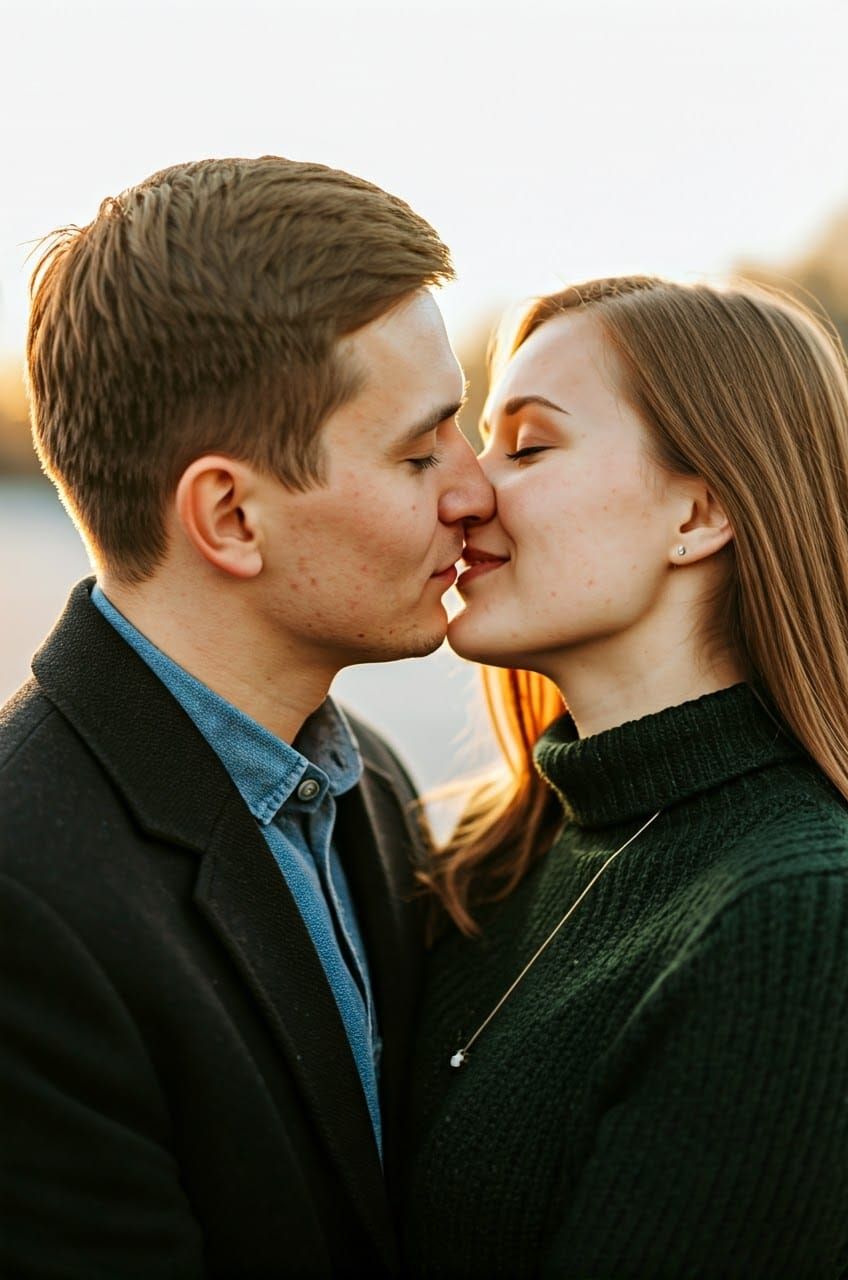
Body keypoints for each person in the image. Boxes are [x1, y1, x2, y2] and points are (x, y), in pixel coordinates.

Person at [0, 156, 493, 1278]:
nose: (473, 489)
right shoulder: (23, 902)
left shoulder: (364, 780)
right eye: (419, 451)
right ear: (228, 514)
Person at [403, 276, 848, 1278]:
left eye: (527, 444)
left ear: (699, 511)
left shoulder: (794, 913)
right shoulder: (488, 852)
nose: (465, 491)